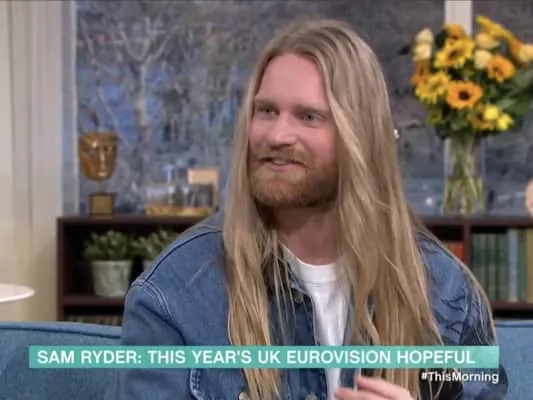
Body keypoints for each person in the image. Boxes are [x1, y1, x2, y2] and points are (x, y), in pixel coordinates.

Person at [107, 18, 508, 400]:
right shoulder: (173, 294)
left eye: (309, 116)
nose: (278, 135)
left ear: (361, 137)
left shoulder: (444, 291)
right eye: (267, 111)